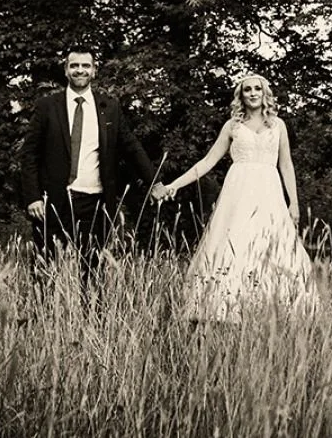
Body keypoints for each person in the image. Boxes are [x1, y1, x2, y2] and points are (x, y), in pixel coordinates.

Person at [153, 74, 315, 321]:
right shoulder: (232, 126)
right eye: (247, 89)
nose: (252, 93)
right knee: (234, 244)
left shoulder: (278, 125)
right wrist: (174, 185)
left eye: (257, 89)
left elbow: (286, 165)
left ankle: (273, 307)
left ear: (264, 93)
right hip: (238, 194)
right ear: (241, 95)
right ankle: (228, 307)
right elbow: (207, 161)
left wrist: (294, 202)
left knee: (270, 245)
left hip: (269, 193)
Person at [21, 46, 160, 292]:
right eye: (74, 65)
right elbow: (29, 153)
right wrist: (33, 197)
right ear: (66, 70)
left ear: (94, 71)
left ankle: (91, 323)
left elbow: (131, 147)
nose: (80, 70)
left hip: (95, 201)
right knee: (45, 271)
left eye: (86, 66)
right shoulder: (47, 106)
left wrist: (155, 181)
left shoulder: (110, 107)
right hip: (53, 201)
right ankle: (43, 325)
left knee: (92, 270)